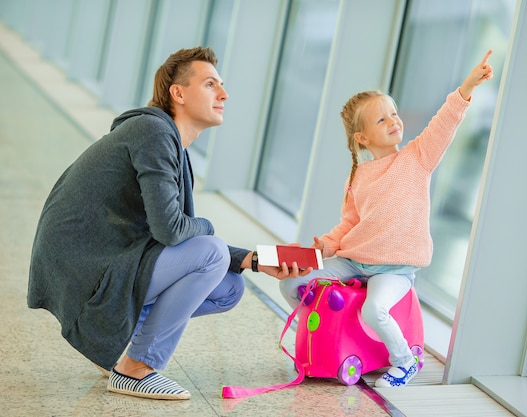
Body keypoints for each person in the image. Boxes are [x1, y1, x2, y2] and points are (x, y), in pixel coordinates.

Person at [27, 46, 311, 401]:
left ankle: (116, 346)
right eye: (210, 85)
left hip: (106, 259)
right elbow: (173, 231)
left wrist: (252, 260)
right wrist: (208, 228)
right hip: (84, 269)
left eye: (221, 86)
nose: (224, 94)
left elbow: (176, 237)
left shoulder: (166, 140)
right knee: (210, 253)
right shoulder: (153, 132)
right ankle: (136, 368)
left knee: (228, 289)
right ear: (178, 93)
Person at [280, 50, 494, 387]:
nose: (394, 121)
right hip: (353, 261)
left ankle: (404, 361)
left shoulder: (417, 158)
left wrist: (468, 85)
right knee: (290, 283)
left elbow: (444, 122)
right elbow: (350, 223)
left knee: (374, 310)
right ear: (362, 138)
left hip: (395, 269)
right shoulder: (359, 175)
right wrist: (328, 244)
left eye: (394, 114)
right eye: (382, 119)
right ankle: (324, 336)